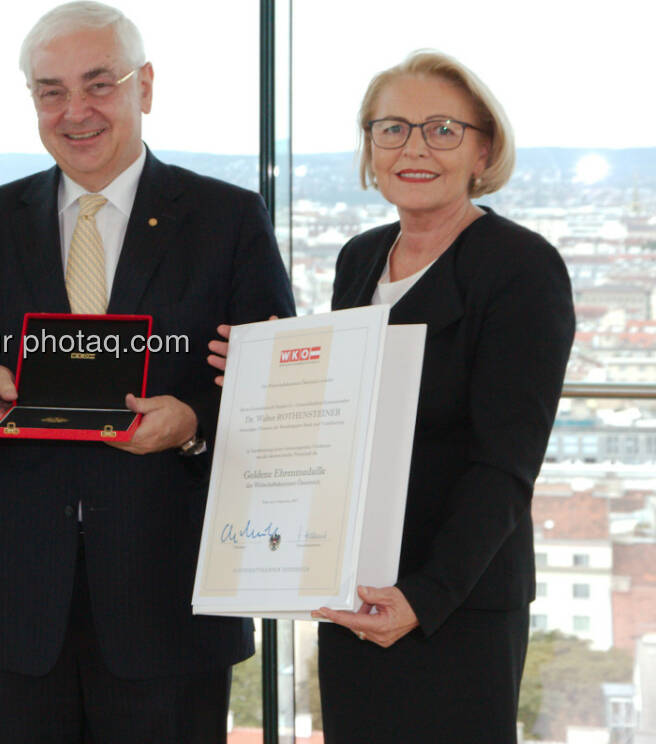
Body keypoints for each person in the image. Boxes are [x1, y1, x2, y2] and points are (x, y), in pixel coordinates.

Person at [0, 0, 294, 743]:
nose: (75, 110)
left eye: (98, 84)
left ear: (144, 87)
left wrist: (190, 424)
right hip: (15, 604)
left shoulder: (227, 220)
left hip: (169, 601)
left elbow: (269, 383)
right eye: (50, 91)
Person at [213, 51, 574, 742]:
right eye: (392, 129)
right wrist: (272, 381)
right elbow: (352, 421)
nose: (414, 148)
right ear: (369, 146)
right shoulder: (360, 256)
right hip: (354, 585)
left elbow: (507, 464)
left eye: (442, 129)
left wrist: (425, 595)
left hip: (454, 603)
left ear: (484, 147)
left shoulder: (520, 267)